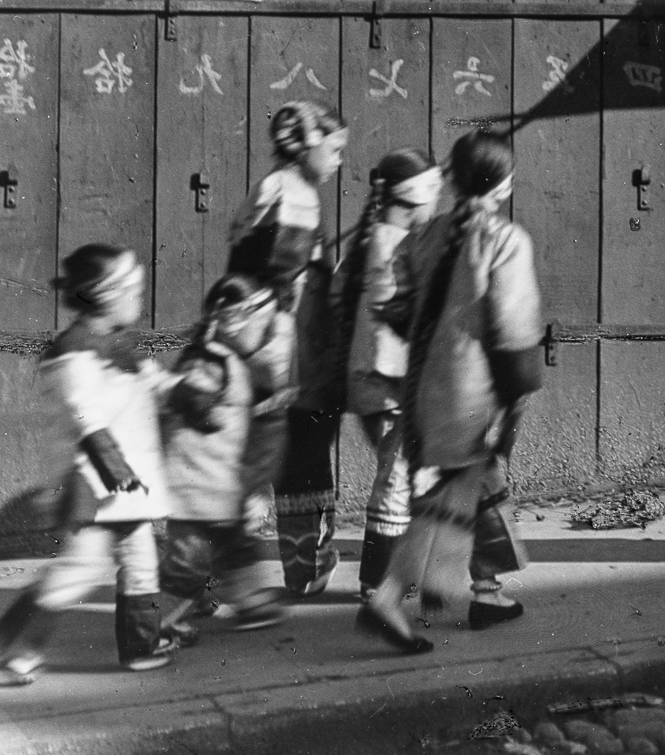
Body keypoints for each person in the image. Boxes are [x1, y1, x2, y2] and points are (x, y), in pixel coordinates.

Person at [357, 131, 543, 653]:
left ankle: (468, 590)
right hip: (474, 391)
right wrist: (517, 395)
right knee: (455, 498)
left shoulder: (429, 233)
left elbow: (393, 303)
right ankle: (396, 597)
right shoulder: (505, 240)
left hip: (425, 390)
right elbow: (514, 329)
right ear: (503, 184)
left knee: (459, 495)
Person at [0, 244, 181, 683]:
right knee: (81, 566)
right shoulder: (72, 354)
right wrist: (120, 476)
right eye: (132, 289)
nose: (139, 297)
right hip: (95, 486)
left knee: (141, 561)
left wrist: (194, 393)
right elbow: (86, 419)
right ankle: (21, 644)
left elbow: (160, 383)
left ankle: (140, 645)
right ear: (106, 295)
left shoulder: (122, 347)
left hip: (129, 488)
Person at [225, 100, 349, 598]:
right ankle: (293, 570)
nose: (340, 159)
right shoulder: (294, 195)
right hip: (286, 354)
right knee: (295, 459)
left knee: (275, 464)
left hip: (264, 352)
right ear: (308, 145)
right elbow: (282, 285)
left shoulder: (277, 187)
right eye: (335, 148)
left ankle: (290, 571)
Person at [155, 274, 290, 645]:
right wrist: (201, 405)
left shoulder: (227, 359)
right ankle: (155, 623)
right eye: (261, 323)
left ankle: (250, 601)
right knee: (188, 561)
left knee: (235, 547)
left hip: (220, 482)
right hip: (199, 484)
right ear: (234, 322)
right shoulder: (210, 360)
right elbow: (189, 400)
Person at [338, 148, 443, 601]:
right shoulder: (400, 247)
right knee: (398, 476)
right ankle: (378, 582)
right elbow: (396, 327)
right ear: (416, 197)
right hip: (393, 382)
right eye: (434, 192)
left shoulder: (365, 239)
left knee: (399, 472)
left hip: (364, 379)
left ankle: (399, 571)